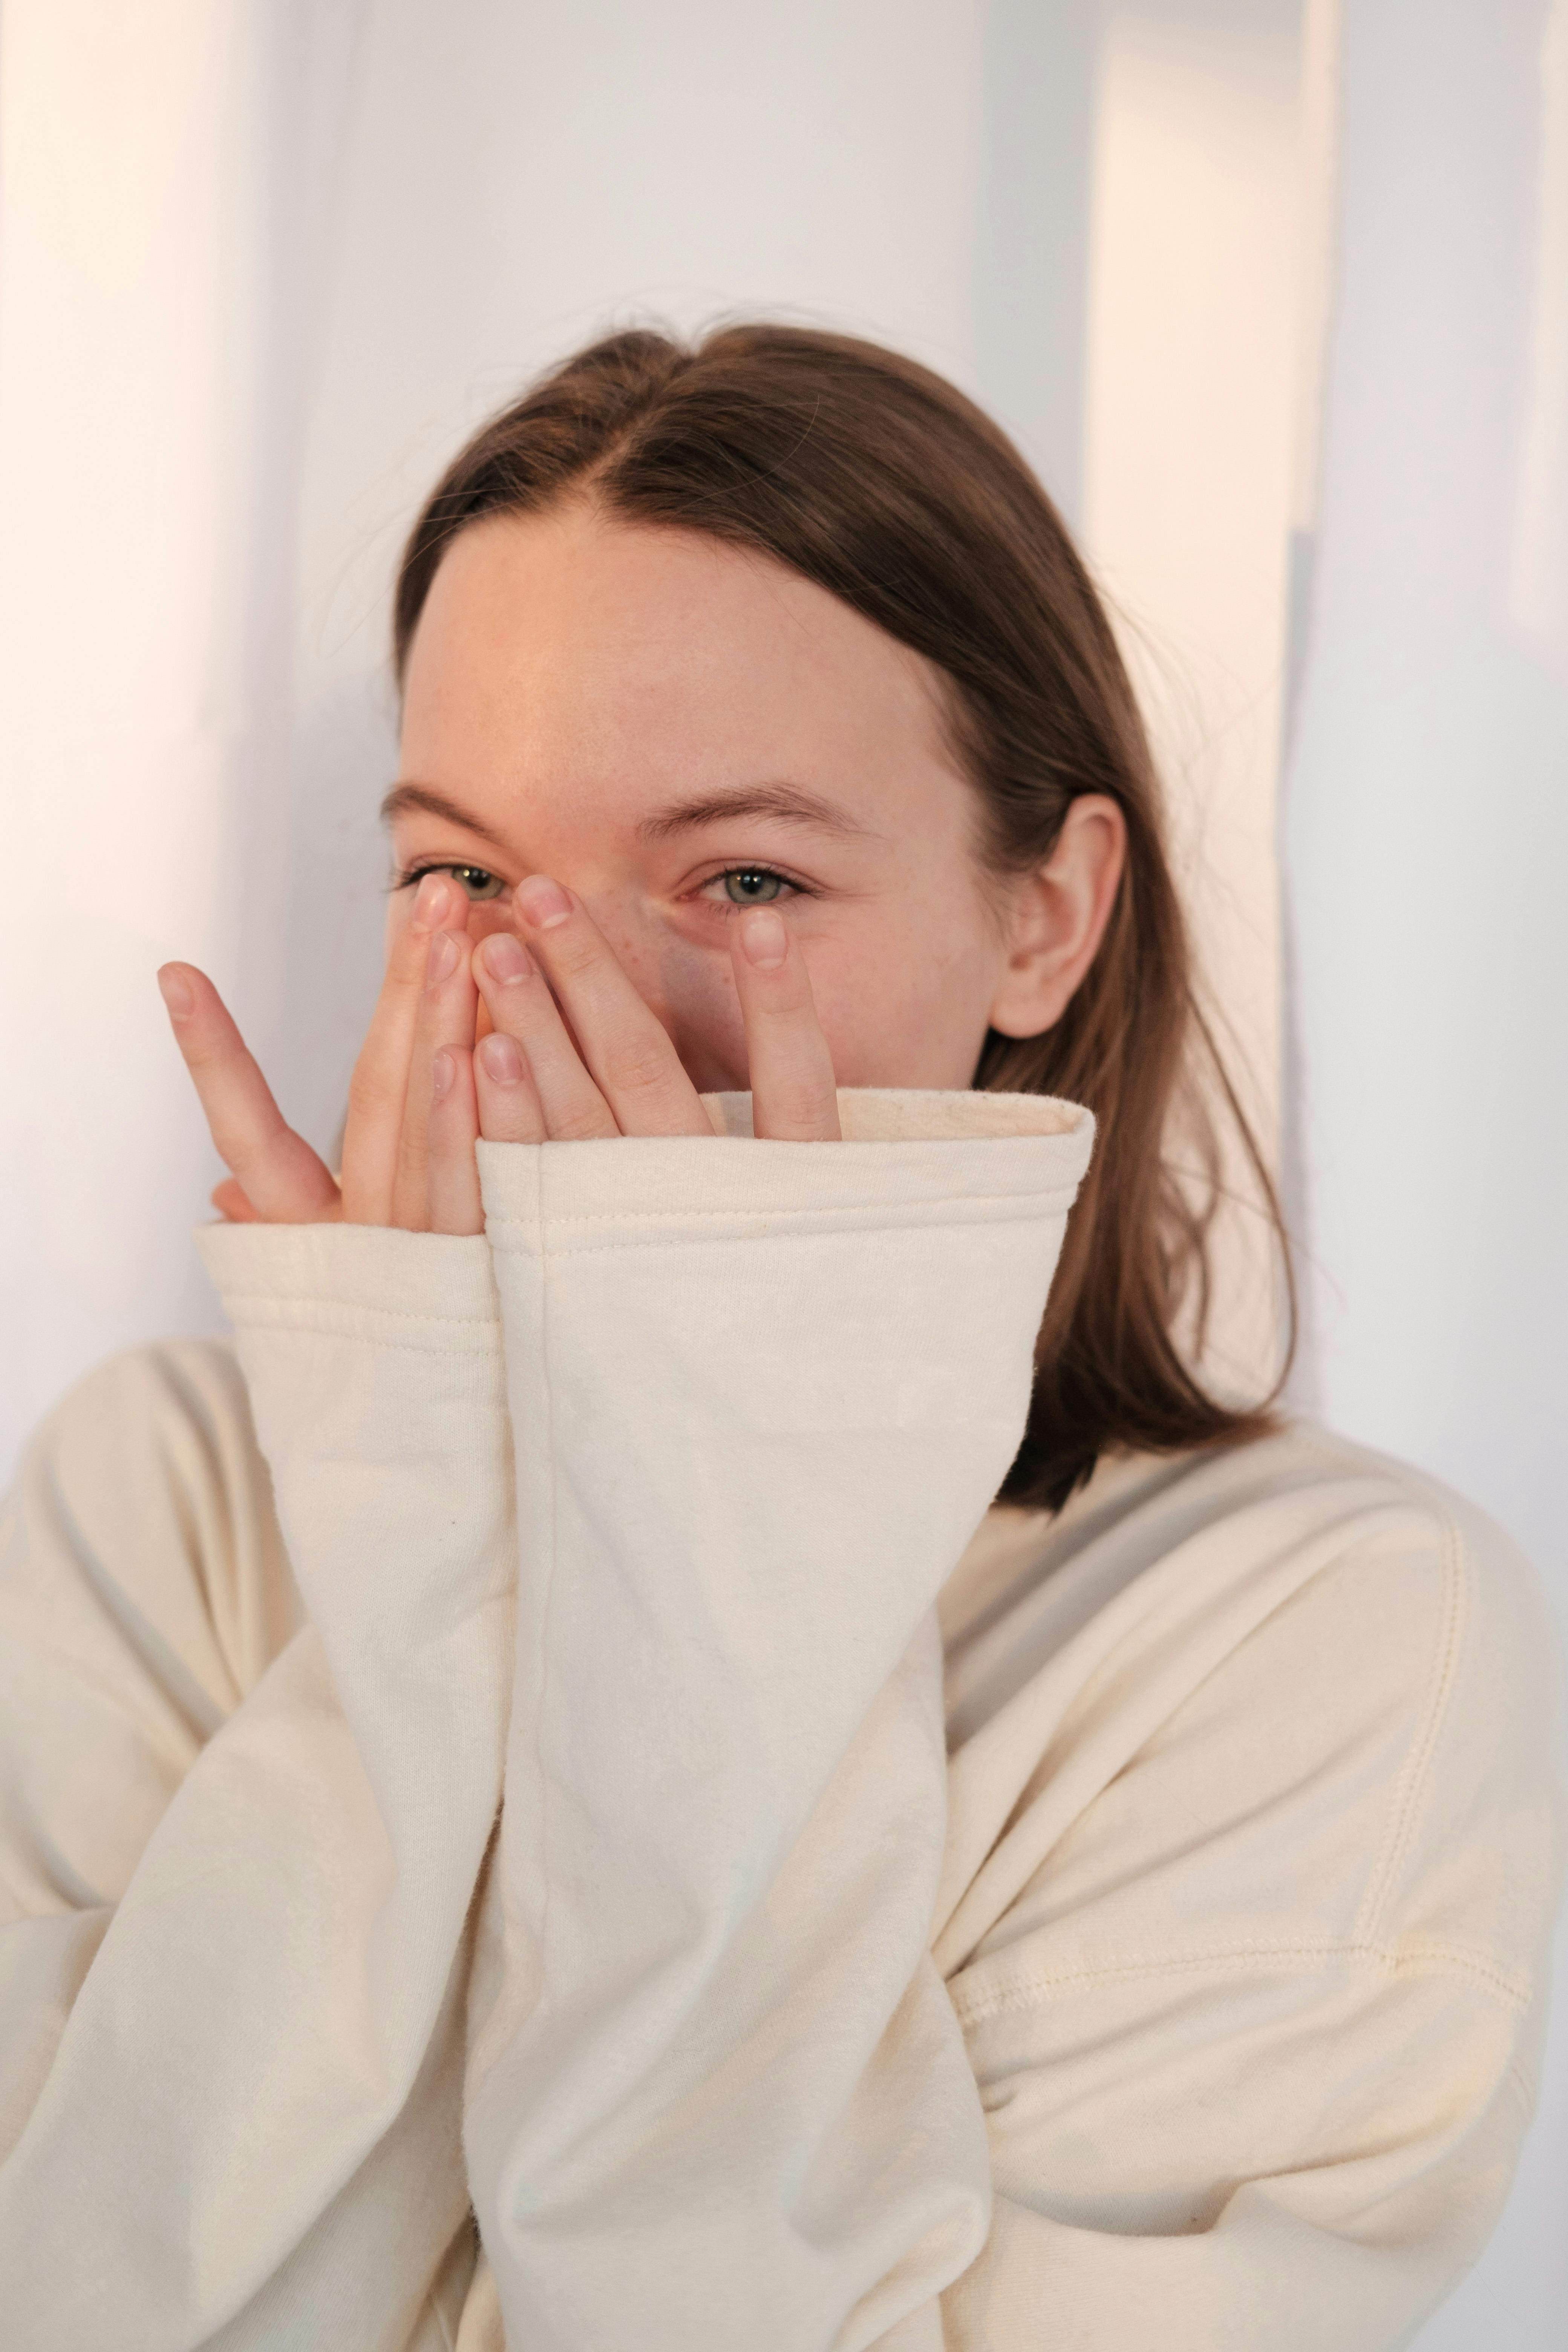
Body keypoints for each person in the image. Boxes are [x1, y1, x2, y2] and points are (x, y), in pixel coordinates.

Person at [0, 325, 1559, 2352]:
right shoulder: (176, 1493)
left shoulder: (1323, 1635)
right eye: (464, 871)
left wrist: (714, 1531)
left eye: (743, 875)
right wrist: (421, 1511)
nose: (576, 1014)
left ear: (1045, 918)